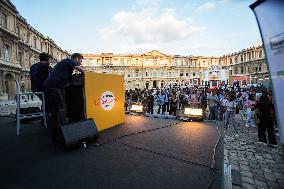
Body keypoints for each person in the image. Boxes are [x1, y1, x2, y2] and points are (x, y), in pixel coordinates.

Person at [44, 53, 85, 146]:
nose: (81, 62)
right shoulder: (69, 61)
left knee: (57, 106)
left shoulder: (65, 63)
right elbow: (81, 70)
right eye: (80, 60)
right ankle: (63, 128)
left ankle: (57, 127)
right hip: (56, 85)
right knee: (62, 106)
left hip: (50, 85)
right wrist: (90, 73)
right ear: (77, 58)